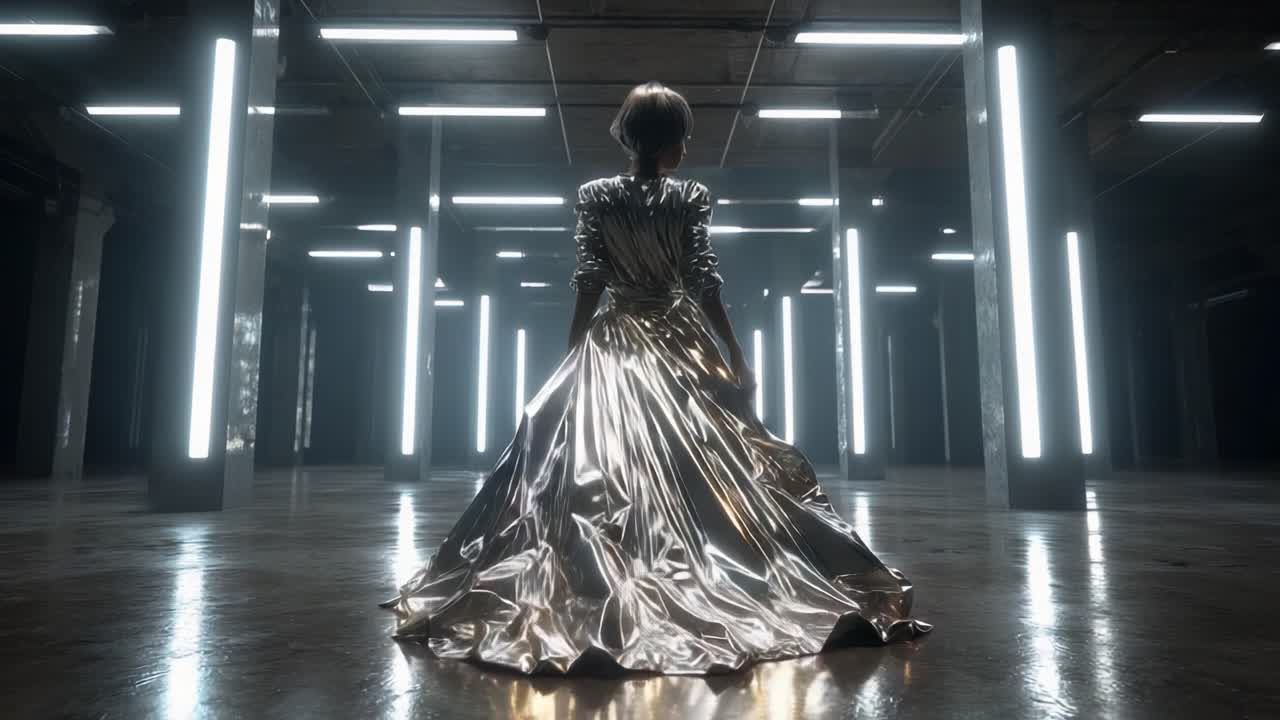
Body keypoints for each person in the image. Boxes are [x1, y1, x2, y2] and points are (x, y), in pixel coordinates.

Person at [384, 81, 930, 675]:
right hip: (678, 339)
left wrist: (575, 350)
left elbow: (589, 279)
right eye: (683, 137)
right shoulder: (689, 197)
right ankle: (705, 562)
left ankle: (600, 570)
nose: (687, 149)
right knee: (703, 462)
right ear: (670, 143)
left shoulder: (596, 196)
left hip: (613, 340)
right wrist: (736, 354)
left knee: (588, 460)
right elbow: (703, 280)